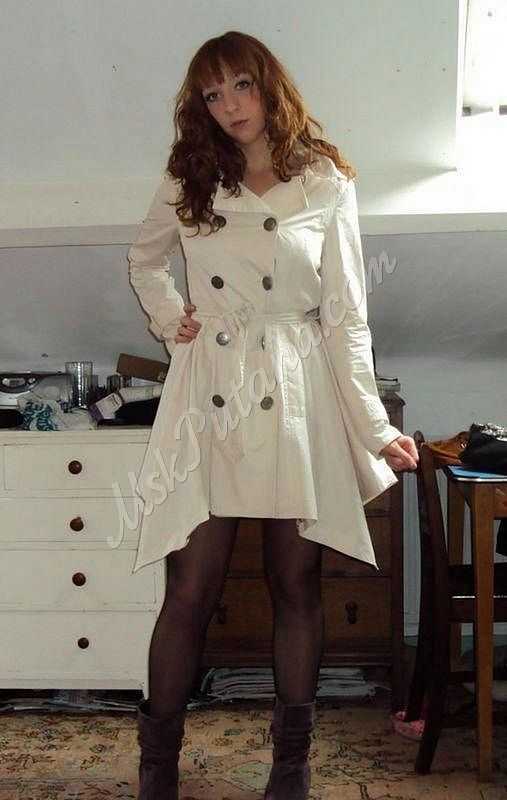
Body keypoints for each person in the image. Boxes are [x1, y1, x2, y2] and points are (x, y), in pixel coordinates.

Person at [127, 29, 419, 800]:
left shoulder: (324, 180)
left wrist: (373, 427)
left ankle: (290, 764)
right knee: (189, 587)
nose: (229, 106)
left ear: (268, 85)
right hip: (211, 389)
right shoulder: (189, 175)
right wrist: (171, 318)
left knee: (296, 583)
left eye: (240, 86)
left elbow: (344, 316)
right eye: (212, 94)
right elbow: (144, 259)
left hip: (293, 392)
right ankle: (157, 767)